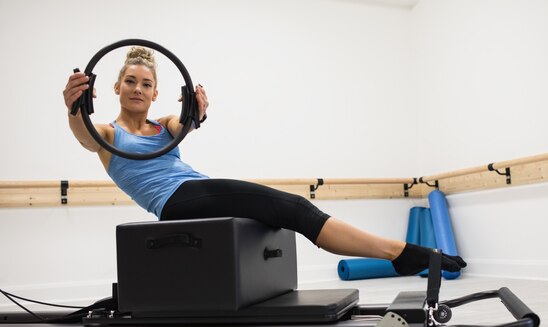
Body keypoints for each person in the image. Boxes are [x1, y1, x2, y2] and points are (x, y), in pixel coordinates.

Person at [63, 47, 466, 276]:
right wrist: (74, 107)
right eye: (130, 81)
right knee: (295, 208)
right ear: (115, 88)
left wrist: (196, 112)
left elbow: (186, 123)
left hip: (195, 192)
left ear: (154, 94)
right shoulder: (110, 136)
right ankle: (402, 253)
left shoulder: (164, 125)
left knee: (285, 214)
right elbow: (84, 135)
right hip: (175, 201)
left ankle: (404, 254)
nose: (137, 88)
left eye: (146, 84)